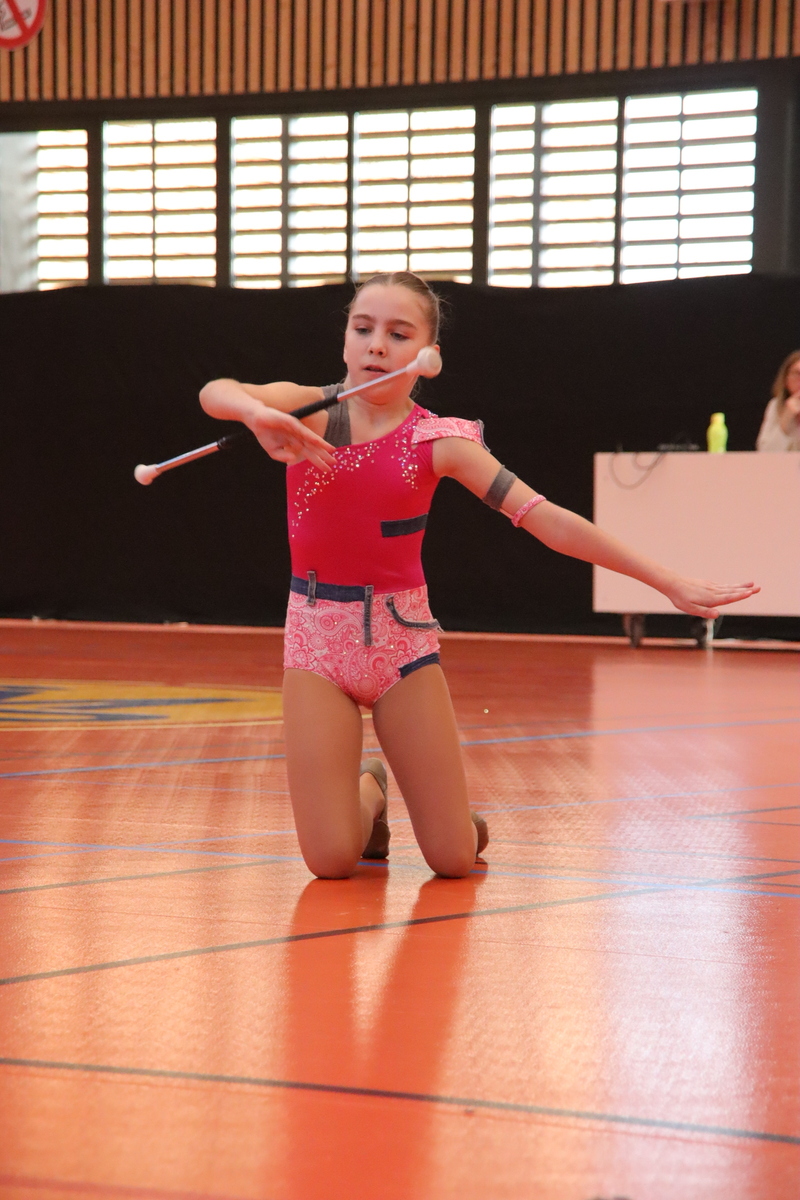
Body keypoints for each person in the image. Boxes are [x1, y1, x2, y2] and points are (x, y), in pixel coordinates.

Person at [199, 272, 759, 881]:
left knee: (451, 859)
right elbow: (215, 391)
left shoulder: (439, 440)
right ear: (345, 341)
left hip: (400, 646)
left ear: (429, 355)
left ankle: (458, 827)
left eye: (398, 334)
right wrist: (256, 413)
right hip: (315, 642)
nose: (376, 345)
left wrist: (666, 581)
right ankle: (370, 790)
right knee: (331, 861)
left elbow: (547, 519)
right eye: (362, 329)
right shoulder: (305, 412)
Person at [756, 350, 800, 451]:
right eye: (797, 374)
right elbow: (765, 453)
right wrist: (787, 416)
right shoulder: (775, 406)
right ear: (786, 380)